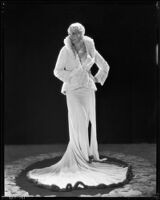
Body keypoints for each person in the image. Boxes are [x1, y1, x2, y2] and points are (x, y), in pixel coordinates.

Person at [26, 23, 129, 191]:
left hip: (87, 89)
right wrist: (73, 76)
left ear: (83, 34)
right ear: (70, 35)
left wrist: (96, 78)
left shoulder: (90, 46)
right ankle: (79, 157)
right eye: (74, 34)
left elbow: (104, 66)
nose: (78, 37)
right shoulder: (65, 51)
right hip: (73, 90)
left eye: (80, 34)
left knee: (89, 122)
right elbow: (57, 71)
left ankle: (87, 156)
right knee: (78, 122)